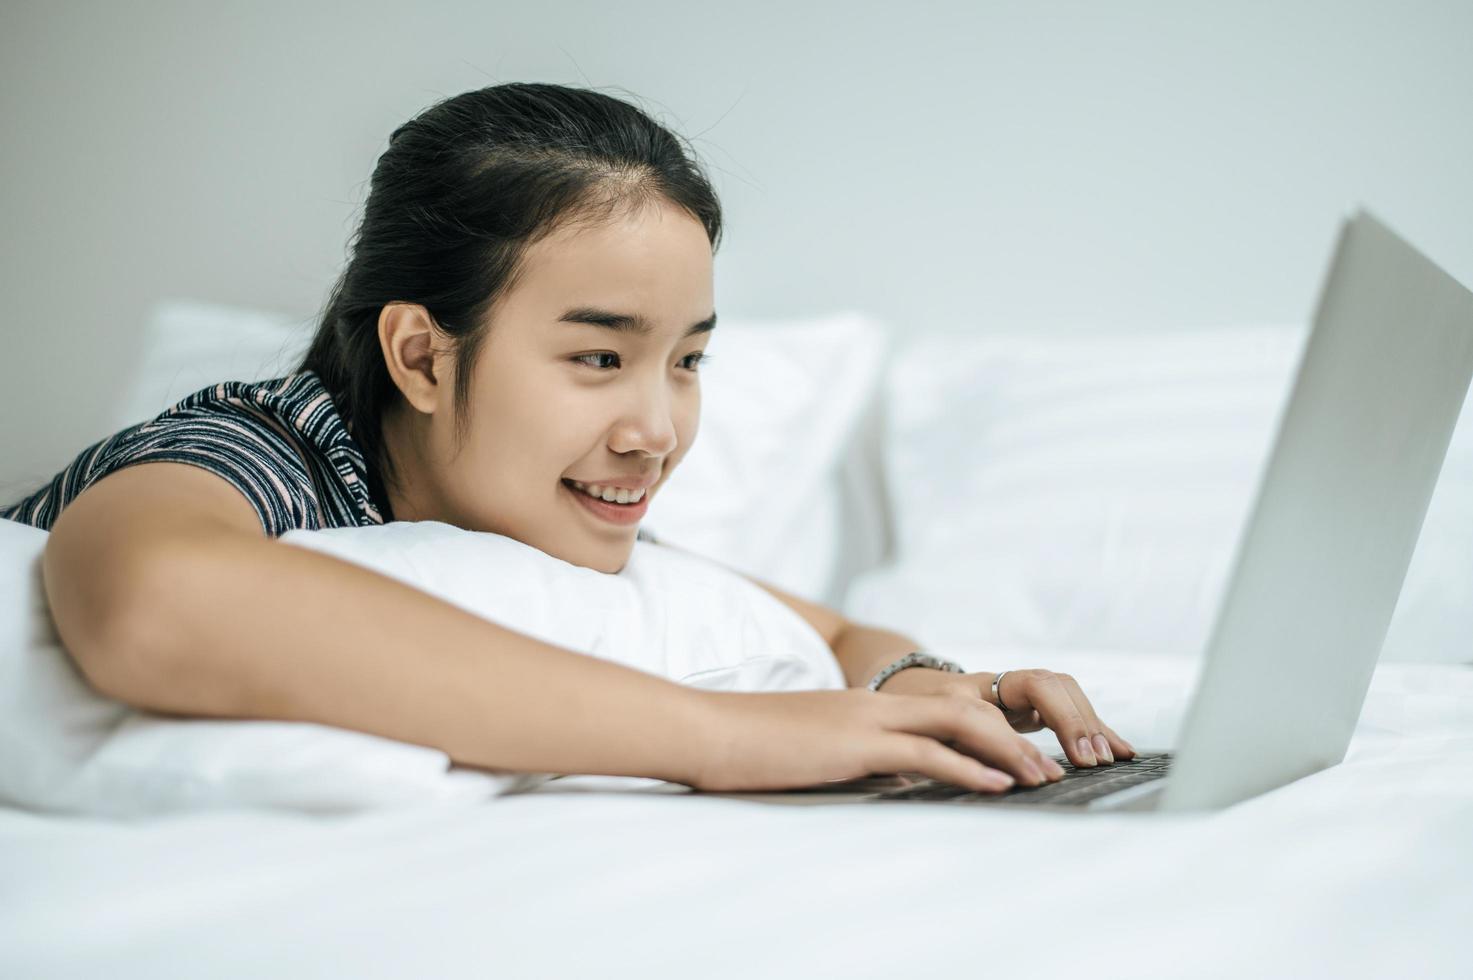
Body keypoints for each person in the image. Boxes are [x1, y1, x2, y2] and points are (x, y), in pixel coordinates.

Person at [3, 82, 1132, 794]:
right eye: (600, 356)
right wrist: (731, 737)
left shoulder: (516, 507)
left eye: (688, 358)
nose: (656, 430)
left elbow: (835, 629)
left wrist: (925, 682)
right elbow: (151, 601)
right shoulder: (250, 452)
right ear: (422, 357)